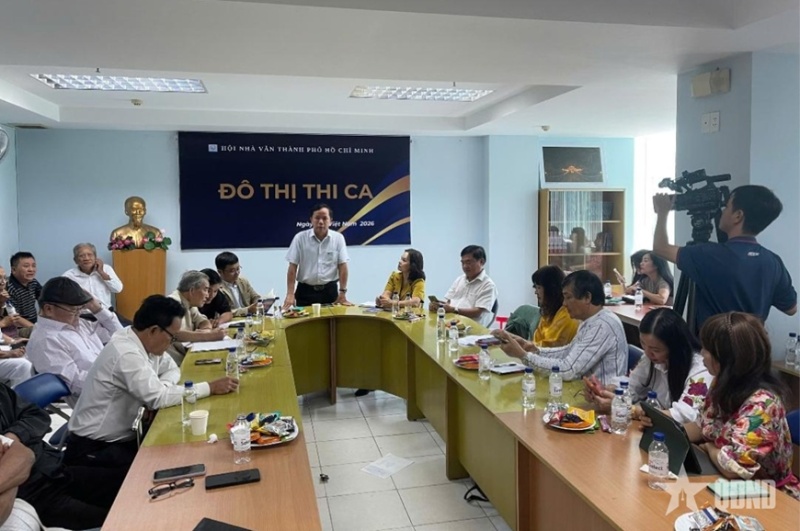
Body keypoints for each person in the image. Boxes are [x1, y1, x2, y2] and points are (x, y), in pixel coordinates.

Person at [66, 295, 239, 474]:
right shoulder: (126, 353)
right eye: (172, 337)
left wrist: (161, 387)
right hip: (94, 451)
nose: (171, 342)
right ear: (154, 330)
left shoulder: (144, 342)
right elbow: (158, 399)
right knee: (173, 466)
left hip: (121, 440)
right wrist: (210, 387)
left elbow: (172, 369)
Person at [684, 312, 799, 499]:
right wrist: (669, 431)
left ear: (727, 359)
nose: (702, 354)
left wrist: (709, 448)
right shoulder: (721, 384)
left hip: (768, 495)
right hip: (725, 481)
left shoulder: (762, 405)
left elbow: (734, 468)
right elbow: (702, 425)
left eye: (707, 349)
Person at [653, 185, 796, 330]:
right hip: (752, 341)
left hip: (714, 342)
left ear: (738, 216)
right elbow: (791, 309)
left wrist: (663, 212)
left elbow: (660, 247)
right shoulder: (773, 261)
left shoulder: (707, 254)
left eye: (726, 207)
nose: (722, 211)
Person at [1, 383, 125, 529]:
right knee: (122, 522)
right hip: (36, 496)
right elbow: (23, 459)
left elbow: (37, 415)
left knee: (133, 485)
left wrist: (14, 435)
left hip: (57, 468)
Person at [585, 308, 711, 424]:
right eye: (643, 345)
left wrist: (632, 410)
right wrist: (606, 391)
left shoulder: (700, 370)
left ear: (675, 347)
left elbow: (685, 415)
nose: (647, 353)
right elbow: (632, 387)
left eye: (656, 350)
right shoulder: (650, 359)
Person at [501, 270, 626, 385]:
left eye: (568, 297)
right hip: (585, 391)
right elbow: (569, 351)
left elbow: (568, 369)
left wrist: (523, 355)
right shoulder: (590, 320)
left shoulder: (602, 325)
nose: (564, 303)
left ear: (587, 297)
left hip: (602, 397)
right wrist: (534, 349)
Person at [26, 277, 123, 406]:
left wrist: (96, 308)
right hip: (97, 401)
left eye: (80, 309)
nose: (78, 314)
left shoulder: (80, 324)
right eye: (73, 310)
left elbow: (121, 337)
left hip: (113, 384)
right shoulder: (45, 341)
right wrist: (118, 382)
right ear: (49, 309)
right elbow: (77, 383)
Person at [492, 265, 577, 349]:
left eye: (539, 287)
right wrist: (508, 337)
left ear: (551, 289)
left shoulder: (566, 316)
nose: (536, 292)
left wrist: (513, 340)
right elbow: (535, 343)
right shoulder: (549, 312)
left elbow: (547, 350)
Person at [284, 204, 351, 308]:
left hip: (330, 292)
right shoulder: (300, 238)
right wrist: (290, 294)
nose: (320, 222)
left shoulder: (338, 238)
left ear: (330, 221)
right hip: (305, 292)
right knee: (303, 318)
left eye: (324, 218)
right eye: (317, 218)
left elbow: (343, 266)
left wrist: (342, 292)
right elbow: (292, 267)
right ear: (311, 220)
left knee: (332, 319)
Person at [428, 245, 497, 328]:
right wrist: (439, 306)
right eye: (462, 263)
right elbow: (450, 302)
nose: (465, 266)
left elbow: (478, 312)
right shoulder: (459, 280)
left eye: (468, 262)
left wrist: (454, 310)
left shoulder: (488, 285)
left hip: (472, 328)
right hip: (451, 324)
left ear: (481, 262)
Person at [166, 271, 226, 365]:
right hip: (175, 362)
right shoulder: (173, 303)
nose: (207, 295)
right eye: (205, 290)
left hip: (186, 353)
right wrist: (209, 336)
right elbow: (174, 333)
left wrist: (206, 330)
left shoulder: (189, 302)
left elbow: (203, 320)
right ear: (192, 291)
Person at [62, 242, 123, 309]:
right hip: (82, 313)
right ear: (75, 260)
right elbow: (63, 299)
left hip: (106, 311)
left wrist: (101, 272)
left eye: (90, 255)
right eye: (81, 256)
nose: (86, 258)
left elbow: (118, 289)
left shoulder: (106, 269)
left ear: (95, 257)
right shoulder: (68, 276)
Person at [215, 252, 261, 317]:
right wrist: (247, 310)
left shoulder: (243, 281)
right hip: (232, 320)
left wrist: (258, 303)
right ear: (220, 271)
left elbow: (255, 297)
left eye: (238, 268)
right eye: (232, 271)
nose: (237, 273)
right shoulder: (217, 288)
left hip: (249, 318)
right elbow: (224, 312)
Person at [6, 253, 41, 329]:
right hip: (18, 327)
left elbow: (44, 299)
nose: (31, 270)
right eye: (26, 266)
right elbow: (14, 317)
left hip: (34, 322)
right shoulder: (10, 287)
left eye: (33, 266)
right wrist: (35, 328)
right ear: (14, 270)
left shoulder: (33, 282)